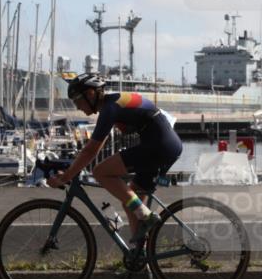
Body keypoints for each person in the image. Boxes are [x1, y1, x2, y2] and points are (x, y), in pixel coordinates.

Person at [46, 73, 183, 249]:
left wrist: (65, 177)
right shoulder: (115, 102)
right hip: (167, 144)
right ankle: (139, 260)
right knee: (131, 201)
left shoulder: (110, 108)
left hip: (158, 146)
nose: (77, 107)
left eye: (77, 101)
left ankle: (146, 215)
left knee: (100, 172)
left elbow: (90, 151)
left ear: (90, 94)